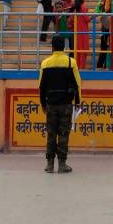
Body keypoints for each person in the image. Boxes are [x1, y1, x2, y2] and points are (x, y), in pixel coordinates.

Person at [38, 35, 82, 174]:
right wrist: (78, 103)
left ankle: (49, 165)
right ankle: (62, 164)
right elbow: (77, 85)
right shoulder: (71, 62)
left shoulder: (45, 63)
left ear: (52, 47)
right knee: (64, 133)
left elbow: (41, 86)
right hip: (66, 105)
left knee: (51, 134)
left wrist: (43, 104)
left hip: (50, 104)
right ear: (64, 47)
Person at [72, 0, 91, 69]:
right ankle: (82, 67)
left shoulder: (76, 8)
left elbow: (71, 19)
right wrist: (94, 15)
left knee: (78, 49)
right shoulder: (83, 7)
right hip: (83, 31)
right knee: (83, 50)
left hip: (77, 31)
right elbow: (87, 19)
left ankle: (77, 67)